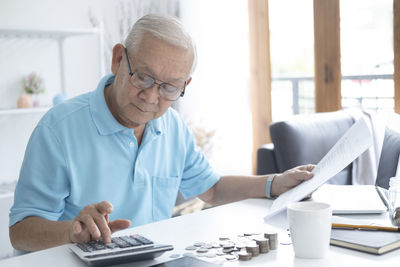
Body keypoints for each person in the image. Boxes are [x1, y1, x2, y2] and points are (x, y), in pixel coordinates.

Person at [9, 14, 314, 252]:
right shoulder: (58, 128)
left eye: (169, 88)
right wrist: (70, 231)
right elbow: (20, 232)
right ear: (118, 60)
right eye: (143, 77)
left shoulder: (172, 127)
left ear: (184, 86)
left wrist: (275, 183)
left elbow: (212, 189)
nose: (152, 97)